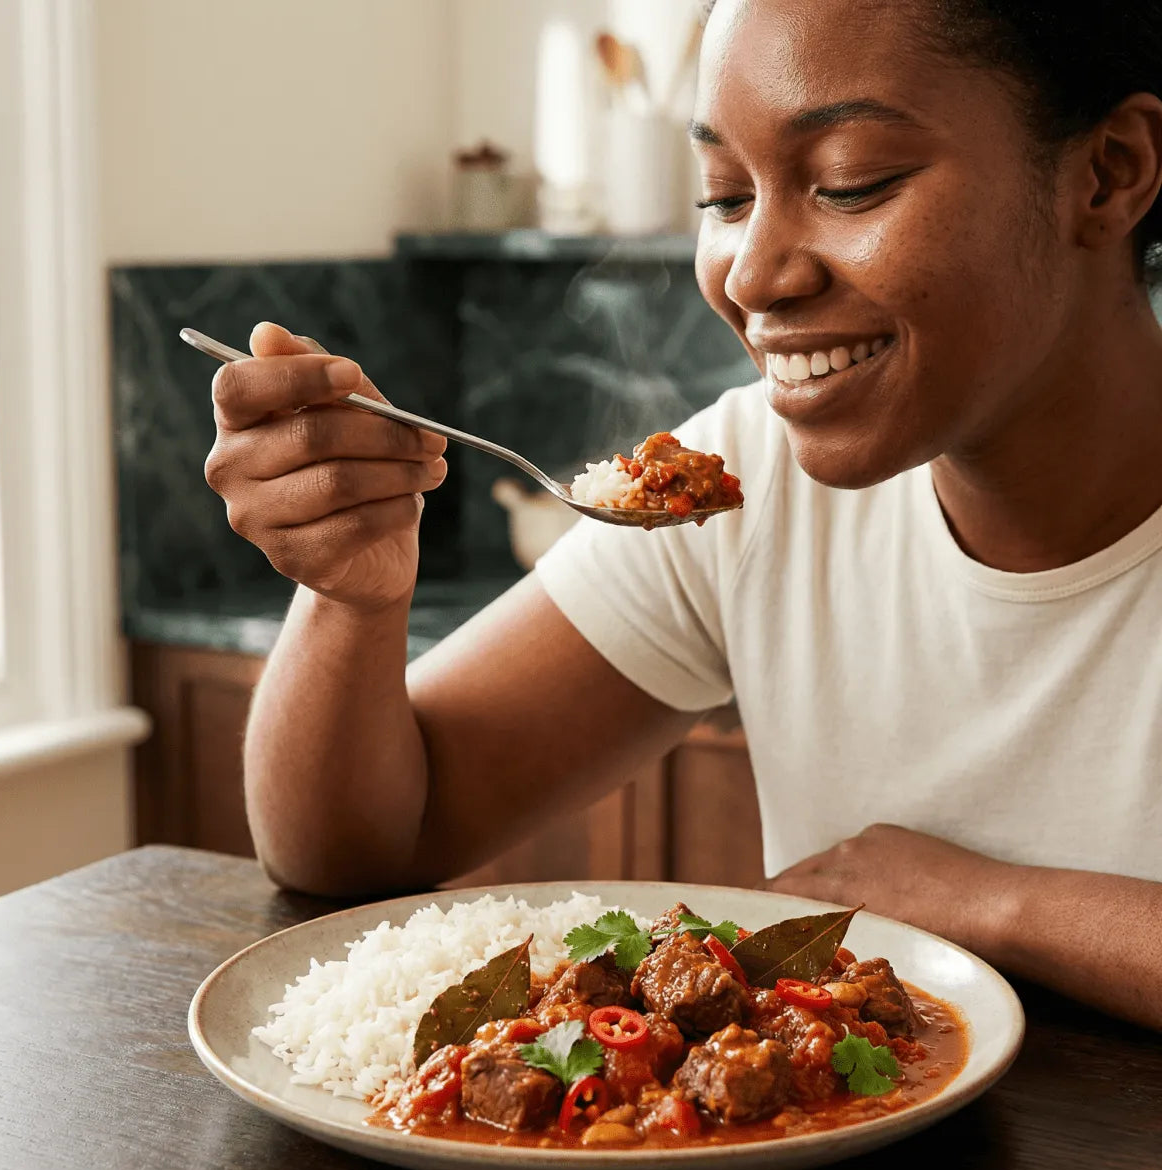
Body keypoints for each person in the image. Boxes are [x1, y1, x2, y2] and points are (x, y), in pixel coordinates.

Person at [202, 0, 1162, 1031]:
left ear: (1106, 172)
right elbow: (357, 845)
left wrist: (986, 901)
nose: (752, 274)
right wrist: (349, 598)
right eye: (724, 194)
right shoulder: (743, 481)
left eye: (851, 182)